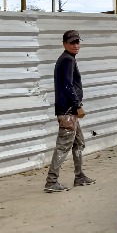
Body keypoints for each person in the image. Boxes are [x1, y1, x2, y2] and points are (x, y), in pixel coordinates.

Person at [44, 29, 95, 192]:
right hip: (68, 111)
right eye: (72, 42)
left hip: (69, 110)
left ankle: (79, 176)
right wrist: (78, 105)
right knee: (63, 146)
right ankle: (51, 181)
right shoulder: (67, 60)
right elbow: (67, 85)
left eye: (77, 42)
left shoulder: (68, 59)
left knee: (78, 142)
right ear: (65, 44)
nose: (75, 45)